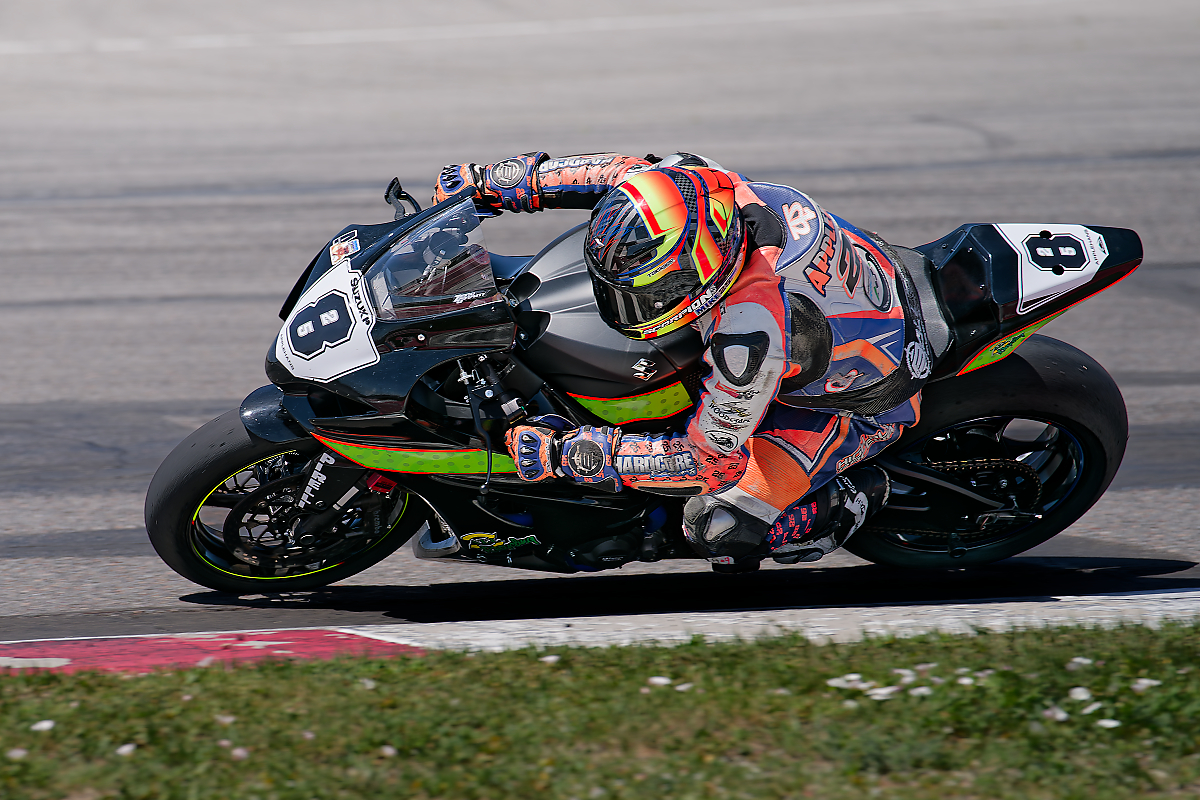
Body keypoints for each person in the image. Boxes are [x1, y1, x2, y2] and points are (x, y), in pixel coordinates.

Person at [433, 152, 932, 569]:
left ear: (702, 276)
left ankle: (849, 500)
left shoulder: (750, 335)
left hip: (854, 402)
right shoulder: (699, 187)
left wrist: (570, 453)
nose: (626, 308)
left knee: (717, 527)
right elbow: (620, 173)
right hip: (862, 285)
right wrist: (492, 184)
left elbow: (707, 461)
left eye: (648, 297)